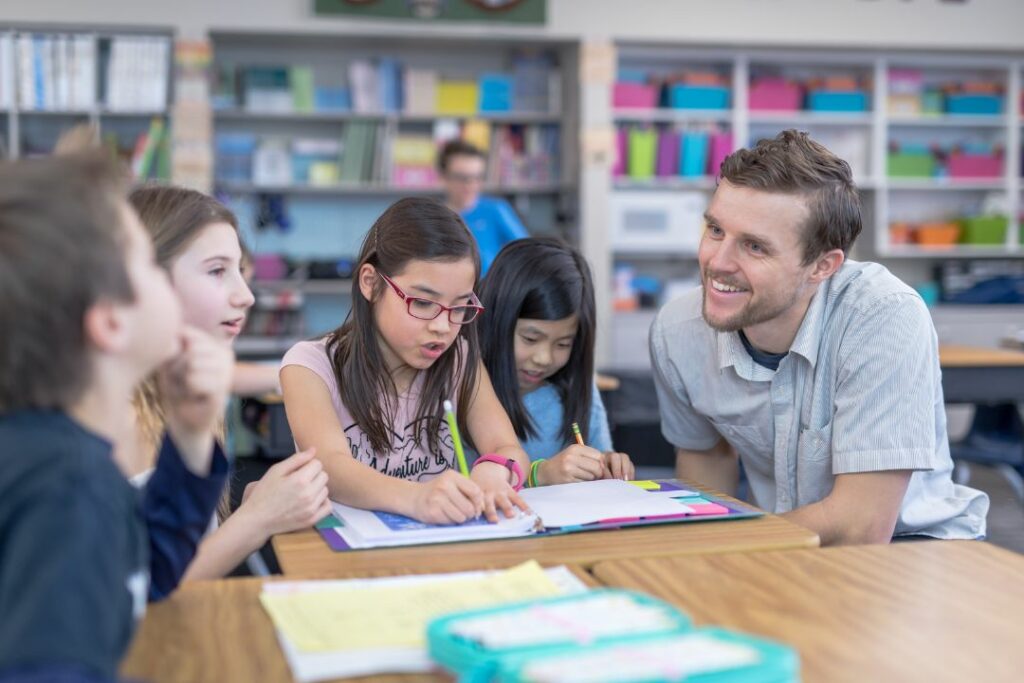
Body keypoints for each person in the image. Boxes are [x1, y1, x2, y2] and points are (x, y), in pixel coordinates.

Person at [649, 130, 988, 545]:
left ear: (822, 266)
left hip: (910, 547)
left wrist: (729, 546)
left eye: (754, 247)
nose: (717, 262)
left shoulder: (884, 316)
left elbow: (860, 527)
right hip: (778, 543)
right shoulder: (677, 331)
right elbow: (707, 460)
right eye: (716, 230)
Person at [0, 154, 228, 681]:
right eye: (149, 263)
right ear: (110, 321)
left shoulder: (56, 457)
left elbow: (140, 574)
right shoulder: (66, 490)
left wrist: (190, 438)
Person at [281, 197, 530, 525]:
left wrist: (494, 472)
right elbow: (330, 466)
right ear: (370, 283)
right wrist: (417, 497)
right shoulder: (310, 366)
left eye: (459, 307)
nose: (442, 327)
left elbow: (507, 447)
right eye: (424, 303)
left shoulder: (459, 361)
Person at [128, 185, 331, 580]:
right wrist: (258, 518)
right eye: (218, 271)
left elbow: (180, 545)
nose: (246, 296)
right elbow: (144, 588)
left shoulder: (180, 393)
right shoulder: (120, 415)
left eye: (239, 270)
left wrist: (255, 508)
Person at [479, 237, 634, 486]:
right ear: (497, 321)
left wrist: (606, 465)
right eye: (530, 338)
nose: (544, 358)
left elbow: (599, 457)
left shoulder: (577, 390)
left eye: (563, 344)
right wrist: (540, 475)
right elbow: (454, 481)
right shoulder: (468, 390)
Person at [439, 139, 528, 274]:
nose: (469, 185)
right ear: (444, 177)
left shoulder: (496, 210)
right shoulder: (433, 217)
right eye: (461, 177)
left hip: (489, 292)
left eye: (477, 177)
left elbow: (529, 252)